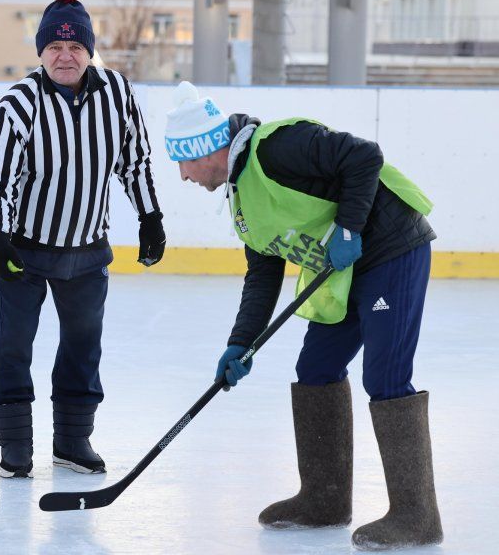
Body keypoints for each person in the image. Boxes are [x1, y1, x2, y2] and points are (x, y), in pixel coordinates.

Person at [164, 81, 442, 550]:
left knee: (386, 376)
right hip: (346, 268)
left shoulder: (277, 147)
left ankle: (417, 516)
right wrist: (241, 343)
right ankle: (324, 499)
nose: (183, 176)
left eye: (182, 162)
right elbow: (263, 275)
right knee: (315, 369)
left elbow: (364, 156)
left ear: (203, 148)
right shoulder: (241, 199)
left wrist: (351, 227)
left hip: (392, 248)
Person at [0, 0, 166, 479]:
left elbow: (135, 161)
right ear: (41, 51)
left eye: (75, 47)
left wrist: (149, 217)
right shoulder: (18, 103)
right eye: (55, 47)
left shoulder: (117, 93)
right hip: (26, 252)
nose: (65, 56)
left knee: (83, 349)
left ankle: (73, 441)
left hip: (87, 253)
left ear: (89, 51)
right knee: (11, 348)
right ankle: (16, 447)